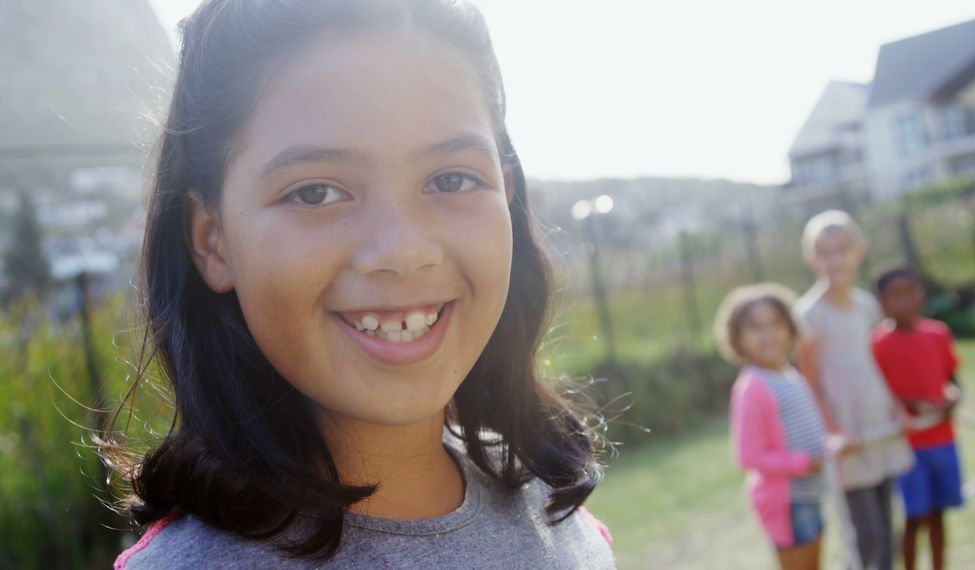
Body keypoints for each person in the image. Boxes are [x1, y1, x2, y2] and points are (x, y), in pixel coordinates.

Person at [103, 1, 614, 567]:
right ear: (211, 240)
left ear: (507, 193)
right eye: (316, 192)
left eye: (451, 179)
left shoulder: (557, 515)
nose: (403, 250)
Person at [794, 210, 914, 570]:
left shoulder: (867, 305)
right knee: (866, 537)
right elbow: (809, 383)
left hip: (879, 426)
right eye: (825, 252)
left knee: (887, 528)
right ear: (812, 258)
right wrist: (834, 431)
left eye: (842, 249)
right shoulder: (809, 314)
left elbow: (879, 363)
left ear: (858, 250)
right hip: (848, 440)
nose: (835, 259)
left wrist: (898, 408)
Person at [720, 283, 838, 570]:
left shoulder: (789, 374)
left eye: (775, 324)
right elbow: (747, 457)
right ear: (739, 338)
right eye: (756, 327)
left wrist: (832, 444)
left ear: (790, 328)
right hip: (789, 503)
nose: (768, 334)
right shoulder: (753, 386)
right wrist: (803, 464)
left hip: (810, 493)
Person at [871, 266, 963, 570]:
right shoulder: (878, 344)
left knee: (939, 514)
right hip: (906, 447)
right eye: (895, 295)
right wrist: (912, 405)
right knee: (914, 517)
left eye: (910, 292)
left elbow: (952, 379)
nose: (905, 301)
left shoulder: (938, 333)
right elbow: (878, 396)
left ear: (921, 294)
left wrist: (951, 397)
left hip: (943, 439)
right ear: (882, 302)